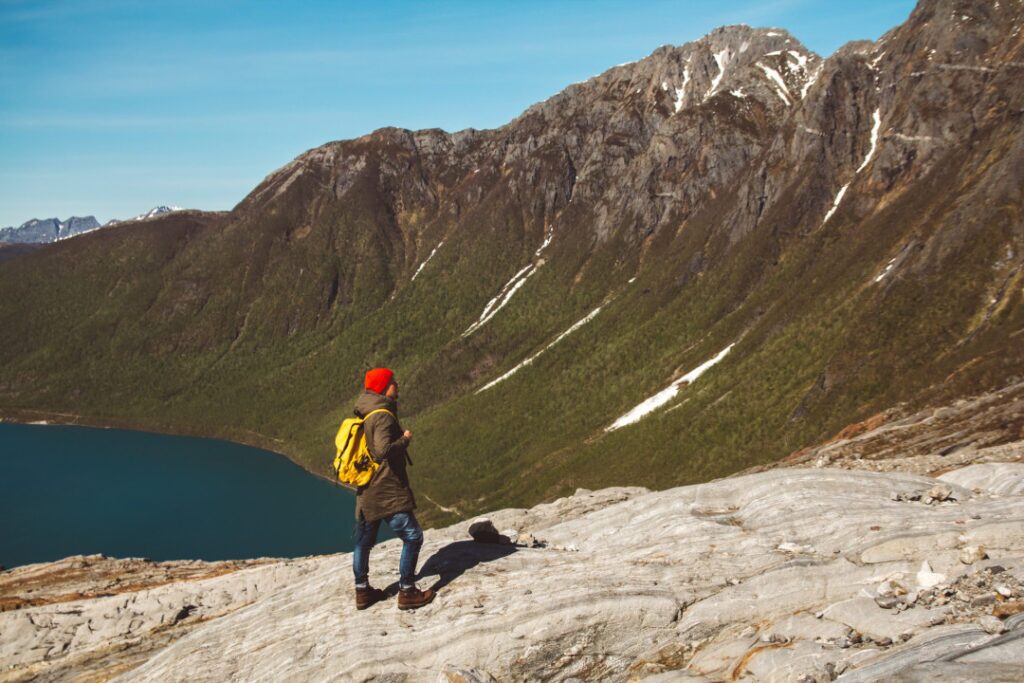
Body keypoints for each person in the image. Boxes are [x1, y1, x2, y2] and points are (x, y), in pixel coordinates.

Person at [351, 367, 436, 610]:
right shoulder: (382, 416)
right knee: (413, 536)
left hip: (367, 488)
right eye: (393, 382)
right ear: (384, 387)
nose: (397, 385)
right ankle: (407, 591)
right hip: (386, 489)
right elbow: (382, 450)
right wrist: (405, 439)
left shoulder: (365, 411)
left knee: (364, 541)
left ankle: (362, 591)